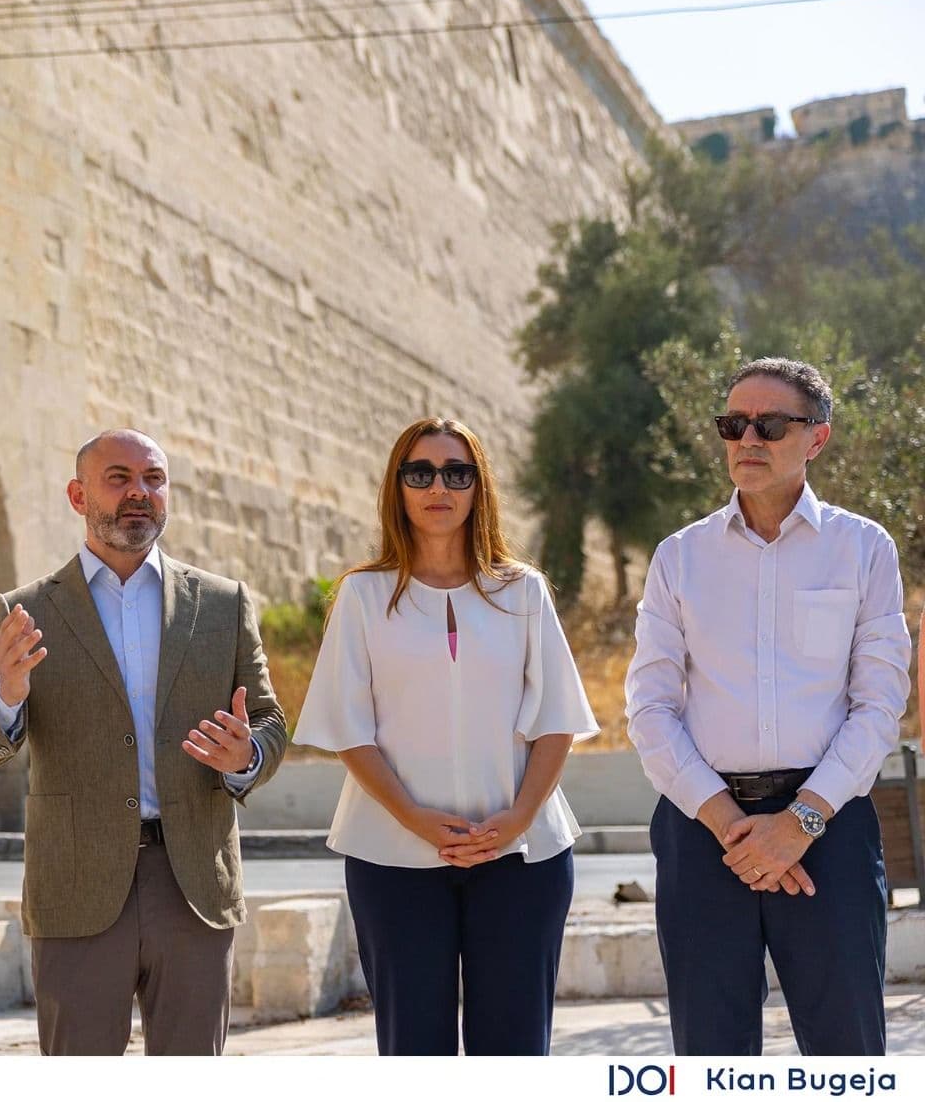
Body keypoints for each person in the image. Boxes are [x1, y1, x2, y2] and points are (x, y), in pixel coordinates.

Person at [0, 428, 287, 1055]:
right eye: (120, 478)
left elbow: (269, 721)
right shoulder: (24, 613)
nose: (140, 492)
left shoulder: (222, 603)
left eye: (154, 479)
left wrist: (248, 756)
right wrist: (8, 693)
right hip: (74, 889)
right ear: (79, 496)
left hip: (193, 886)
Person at [626, 357, 911, 1056]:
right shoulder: (679, 557)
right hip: (702, 832)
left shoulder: (864, 549)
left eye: (770, 423)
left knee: (847, 1050)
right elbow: (650, 707)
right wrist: (731, 826)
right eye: (733, 423)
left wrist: (801, 822)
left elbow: (879, 705)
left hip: (831, 831)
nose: (747, 438)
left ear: (817, 438)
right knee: (709, 1054)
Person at [293, 417, 597, 1055]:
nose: (440, 487)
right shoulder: (360, 596)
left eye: (457, 473)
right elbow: (350, 730)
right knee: (414, 1051)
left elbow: (557, 722)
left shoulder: (524, 592)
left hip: (521, 856)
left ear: (477, 487)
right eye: (421, 472)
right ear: (397, 487)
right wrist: (412, 817)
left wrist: (517, 818)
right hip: (392, 856)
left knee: (514, 1053)